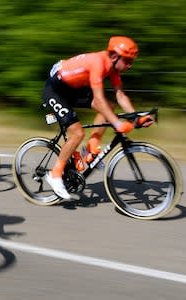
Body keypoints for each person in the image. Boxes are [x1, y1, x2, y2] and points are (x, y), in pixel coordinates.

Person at [42, 36, 154, 200]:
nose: (130, 65)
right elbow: (98, 99)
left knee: (109, 107)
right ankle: (55, 174)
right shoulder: (98, 63)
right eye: (128, 60)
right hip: (55, 91)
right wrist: (117, 123)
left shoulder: (113, 68)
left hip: (73, 89)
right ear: (115, 56)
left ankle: (91, 146)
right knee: (77, 133)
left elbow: (120, 95)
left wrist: (136, 116)